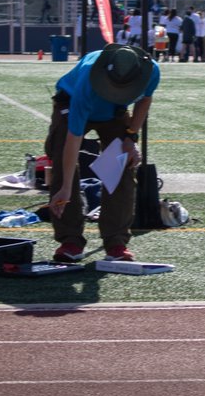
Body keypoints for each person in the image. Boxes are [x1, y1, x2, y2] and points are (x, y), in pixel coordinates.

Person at [47, 43, 160, 262]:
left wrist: (131, 136)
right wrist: (66, 189)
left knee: (121, 164)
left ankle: (116, 241)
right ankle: (70, 239)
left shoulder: (151, 70)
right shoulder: (86, 85)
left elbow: (145, 99)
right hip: (70, 103)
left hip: (114, 113)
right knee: (62, 163)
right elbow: (73, 140)